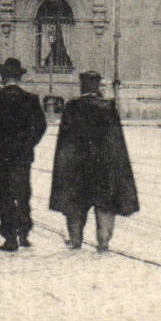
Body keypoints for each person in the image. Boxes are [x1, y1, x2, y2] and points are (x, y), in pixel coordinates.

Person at [49, 71, 139, 252]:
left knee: (75, 204)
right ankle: (103, 241)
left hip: (77, 166)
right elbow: (116, 141)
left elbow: (64, 141)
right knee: (105, 203)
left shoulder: (72, 107)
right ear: (98, 86)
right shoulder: (107, 107)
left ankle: (75, 240)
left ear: (82, 86)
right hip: (103, 165)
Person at [0, 58, 47, 251]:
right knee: (22, 192)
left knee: (4, 194)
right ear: (19, 77)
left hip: (1, 155)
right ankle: (24, 233)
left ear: (3, 78)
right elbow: (40, 126)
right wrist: (28, 143)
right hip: (23, 155)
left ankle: (9, 236)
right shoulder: (30, 99)